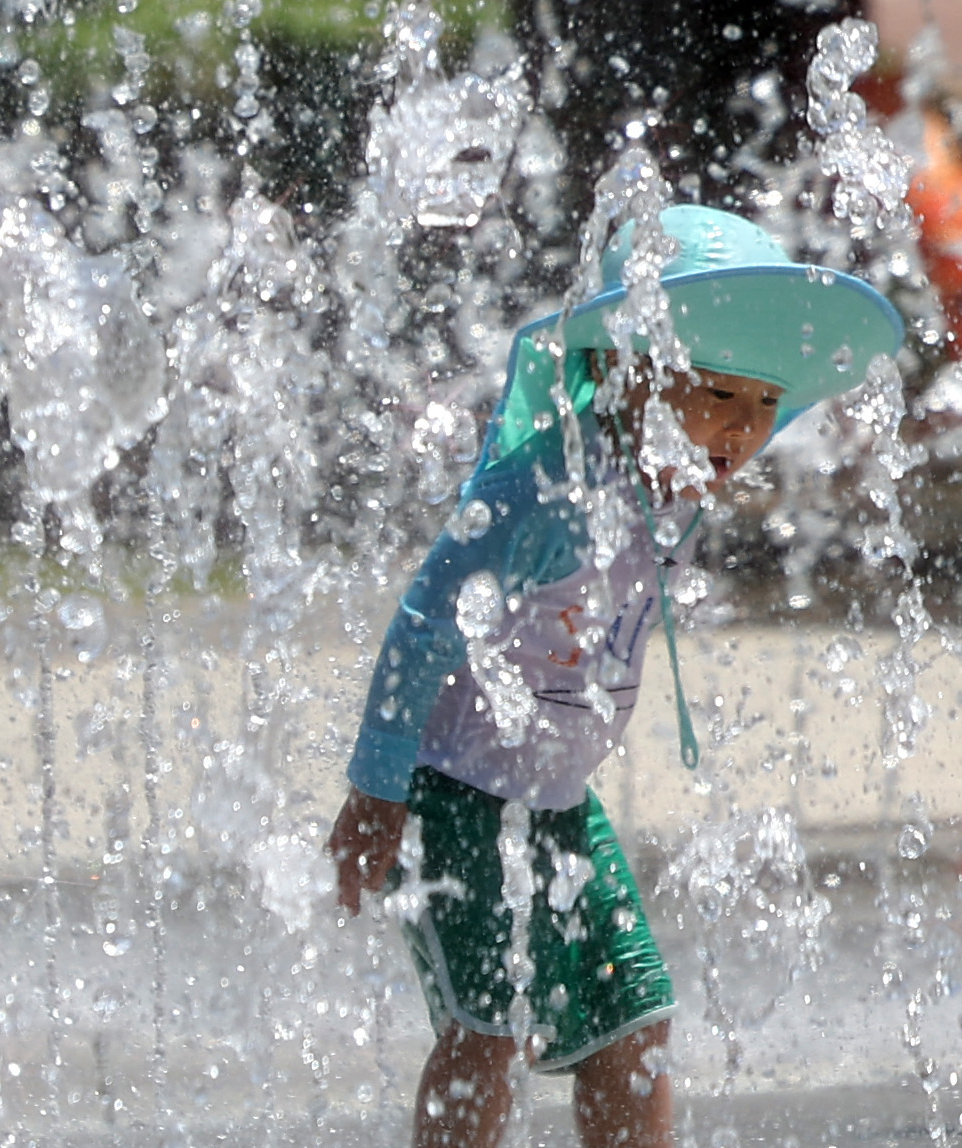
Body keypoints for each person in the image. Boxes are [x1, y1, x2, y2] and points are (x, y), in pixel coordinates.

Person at [326, 204, 903, 1148]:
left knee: (631, 1024)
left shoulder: (665, 481)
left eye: (760, 407)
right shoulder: (545, 484)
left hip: (555, 801)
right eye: (717, 396)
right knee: (488, 1032)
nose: (741, 431)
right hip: (452, 794)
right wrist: (377, 788)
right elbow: (425, 620)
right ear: (630, 372)